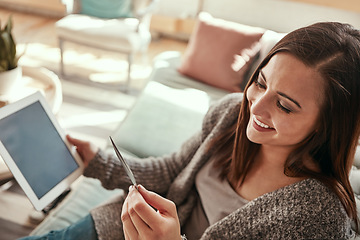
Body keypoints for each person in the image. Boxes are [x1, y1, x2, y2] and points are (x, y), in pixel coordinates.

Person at [21, 21, 360, 240]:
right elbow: (172, 170)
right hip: (119, 230)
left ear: (329, 126)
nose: (255, 107)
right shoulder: (230, 113)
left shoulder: (320, 219)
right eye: (260, 82)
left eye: (284, 105)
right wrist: (98, 162)